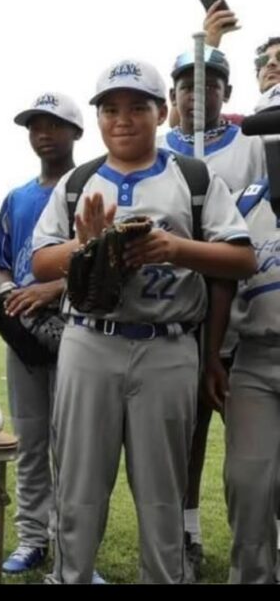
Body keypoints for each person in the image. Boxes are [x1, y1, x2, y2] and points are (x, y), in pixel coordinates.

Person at [31, 58, 256, 584]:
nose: (123, 119)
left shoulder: (193, 178)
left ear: (162, 112)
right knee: (80, 487)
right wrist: (85, 245)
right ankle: (70, 577)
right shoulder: (79, 181)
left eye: (137, 107)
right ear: (100, 117)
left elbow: (241, 259)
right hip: (91, 340)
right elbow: (39, 263)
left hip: (167, 343)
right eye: (110, 108)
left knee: (162, 493)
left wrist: (175, 247)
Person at [160, 45, 268, 579]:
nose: (195, 94)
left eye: (208, 85)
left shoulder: (249, 145)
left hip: (246, 310)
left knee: (254, 441)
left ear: (226, 93)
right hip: (187, 312)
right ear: (172, 97)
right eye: (185, 86)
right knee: (188, 432)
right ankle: (188, 531)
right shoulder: (162, 150)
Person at [0, 92, 82, 575]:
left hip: (78, 327)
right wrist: (9, 298)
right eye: (35, 126)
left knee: (71, 443)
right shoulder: (17, 196)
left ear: (76, 132)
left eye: (54, 125)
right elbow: (2, 265)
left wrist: (53, 288)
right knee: (29, 438)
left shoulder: (91, 186)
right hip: (25, 331)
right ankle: (32, 537)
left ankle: (68, 540)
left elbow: (100, 265)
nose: (43, 134)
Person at [204, 88, 280, 584]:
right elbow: (224, 279)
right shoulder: (247, 202)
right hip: (257, 357)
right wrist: (213, 354)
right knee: (249, 482)